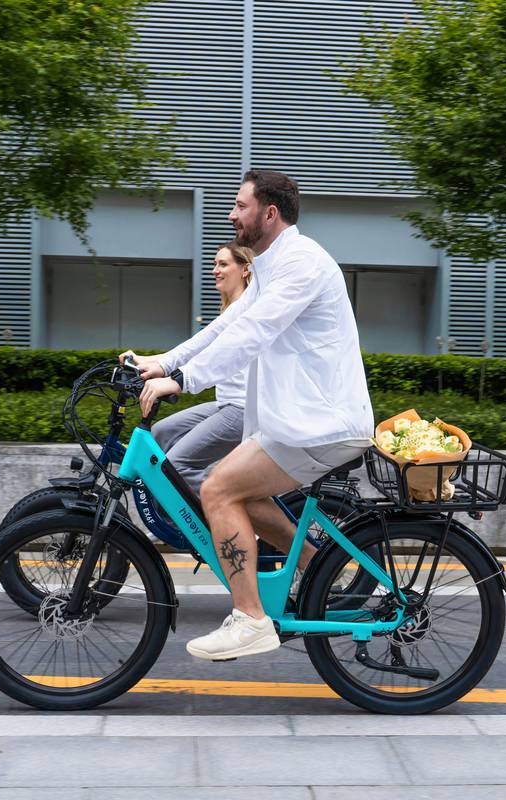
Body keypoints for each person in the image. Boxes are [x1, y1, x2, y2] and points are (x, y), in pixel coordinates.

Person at [129, 169, 374, 661]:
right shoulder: (271, 268)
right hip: (295, 424)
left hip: (320, 424)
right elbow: (229, 325)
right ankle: (317, 568)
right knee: (237, 489)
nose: (231, 214)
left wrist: (184, 381)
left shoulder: (301, 263)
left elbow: (254, 331)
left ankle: (250, 618)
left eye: (239, 206)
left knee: (218, 487)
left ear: (269, 213)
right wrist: (164, 362)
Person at [140, 243, 253, 493]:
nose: (215, 270)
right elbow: (194, 347)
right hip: (227, 404)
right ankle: (171, 523)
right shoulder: (232, 309)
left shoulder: (246, 308)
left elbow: (198, 348)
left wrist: (165, 369)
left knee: (176, 467)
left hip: (243, 409)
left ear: (245, 269)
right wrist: (146, 361)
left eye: (223, 264)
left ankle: (224, 520)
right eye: (215, 264)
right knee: (161, 433)